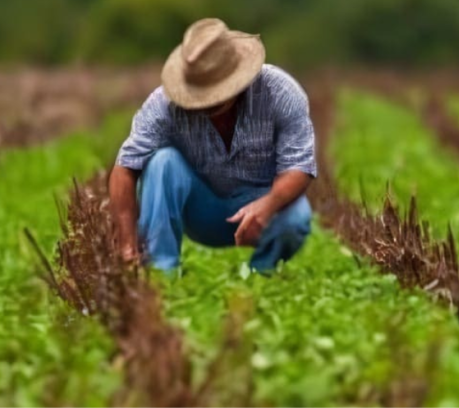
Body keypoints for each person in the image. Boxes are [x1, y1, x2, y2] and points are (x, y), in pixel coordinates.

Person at [109, 17, 316, 273]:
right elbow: (125, 169)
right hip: (201, 210)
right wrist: (128, 244)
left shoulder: (280, 92)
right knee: (163, 163)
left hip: (262, 205)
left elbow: (299, 167)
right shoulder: (163, 105)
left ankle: (261, 274)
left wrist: (268, 204)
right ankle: (161, 273)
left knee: (297, 217)